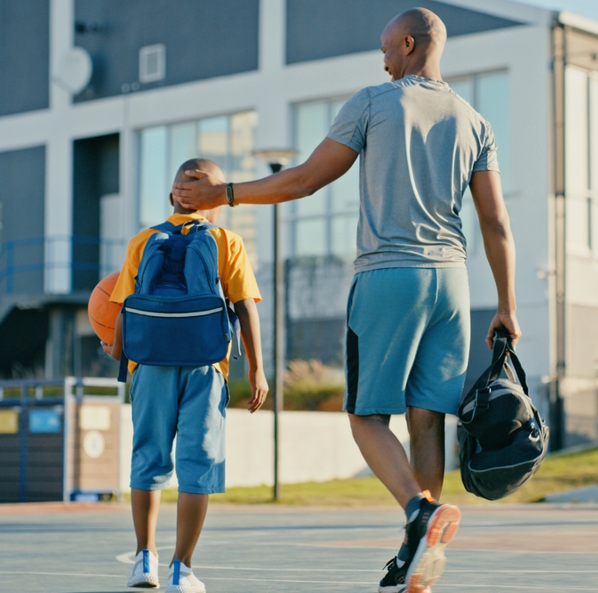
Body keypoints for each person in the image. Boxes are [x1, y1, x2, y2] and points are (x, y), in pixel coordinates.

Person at [173, 8, 520, 593]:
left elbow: (306, 179)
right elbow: (496, 221)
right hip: (454, 284)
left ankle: (421, 511)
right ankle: (417, 556)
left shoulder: (374, 103)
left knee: (363, 417)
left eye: (386, 48)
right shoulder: (474, 121)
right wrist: (507, 303)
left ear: (408, 44)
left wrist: (223, 193)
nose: (381, 59)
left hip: (390, 277)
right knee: (425, 420)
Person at [103, 158, 268, 593]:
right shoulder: (225, 239)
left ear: (172, 196)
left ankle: (144, 560)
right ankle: (182, 568)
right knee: (198, 464)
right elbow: (244, 307)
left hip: (150, 366)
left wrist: (115, 352)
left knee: (148, 458)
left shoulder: (143, 240)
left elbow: (123, 312)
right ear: (214, 202)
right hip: (205, 366)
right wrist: (256, 368)